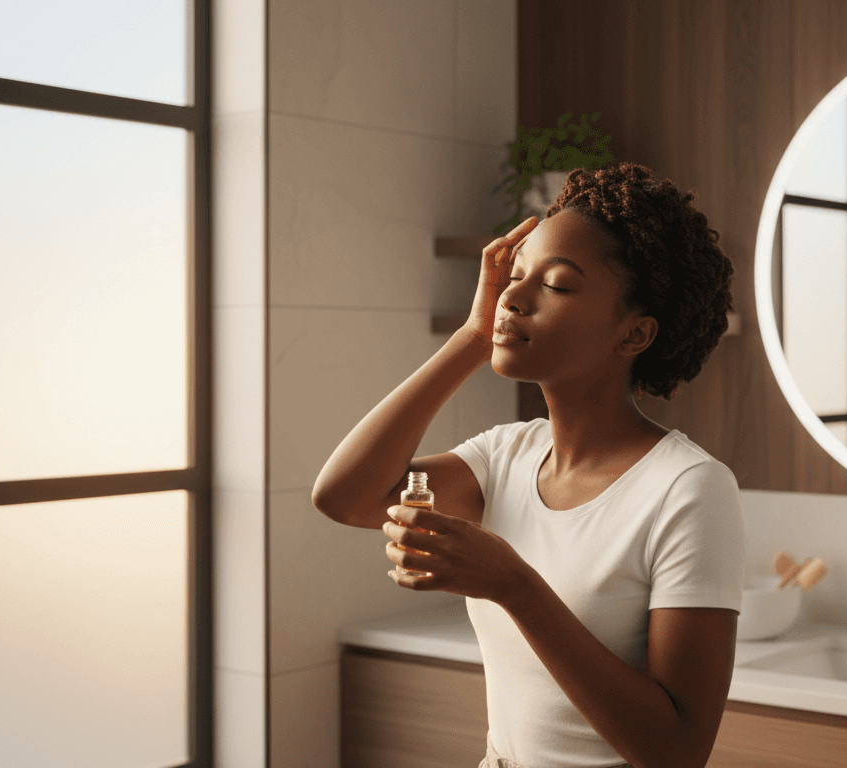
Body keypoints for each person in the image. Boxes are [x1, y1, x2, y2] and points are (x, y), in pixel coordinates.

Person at [311, 161, 743, 768]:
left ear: (634, 334)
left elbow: (676, 752)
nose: (513, 296)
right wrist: (471, 335)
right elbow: (345, 497)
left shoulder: (688, 489)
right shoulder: (505, 455)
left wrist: (513, 585)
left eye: (558, 285)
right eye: (515, 276)